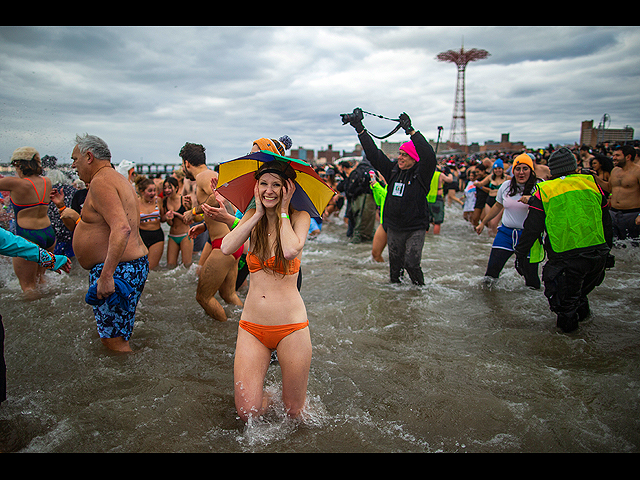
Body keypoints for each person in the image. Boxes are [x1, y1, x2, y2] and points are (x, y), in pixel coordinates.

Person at [221, 158, 311, 422]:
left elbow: (290, 249)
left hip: (291, 328)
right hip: (252, 327)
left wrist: (282, 211)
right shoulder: (252, 217)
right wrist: (258, 214)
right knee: (247, 412)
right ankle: (269, 397)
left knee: (294, 412)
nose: (269, 190)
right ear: (256, 187)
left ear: (288, 188)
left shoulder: (299, 217)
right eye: (263, 184)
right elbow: (227, 247)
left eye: (276, 185)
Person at [515, 147, 612, 333]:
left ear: (552, 170)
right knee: (580, 296)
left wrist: (520, 254)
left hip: (567, 258)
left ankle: (569, 351)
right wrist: (608, 251)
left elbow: (532, 228)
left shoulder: (545, 190)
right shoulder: (590, 183)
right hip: (597, 254)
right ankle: (588, 339)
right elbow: (607, 221)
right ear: (574, 167)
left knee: (565, 306)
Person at [71, 134, 149, 352]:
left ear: (89, 156)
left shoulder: (101, 181)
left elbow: (122, 228)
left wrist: (106, 276)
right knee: (119, 333)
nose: (73, 165)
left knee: (113, 340)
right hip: (129, 265)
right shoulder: (116, 178)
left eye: (74, 159)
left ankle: (129, 382)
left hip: (118, 269)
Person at [347, 109, 436, 285]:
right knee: (394, 270)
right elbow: (373, 154)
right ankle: (396, 301)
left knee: (411, 263)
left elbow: (429, 156)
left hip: (415, 228)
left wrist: (411, 131)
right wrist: (359, 128)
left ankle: (420, 293)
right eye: (400, 154)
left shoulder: (421, 174)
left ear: (413, 158)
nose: (400, 157)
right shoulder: (393, 171)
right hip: (394, 226)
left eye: (404, 155)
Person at [0, 226, 71, 404]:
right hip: (46, 230)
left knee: (29, 289)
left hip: (27, 228)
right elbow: (12, 243)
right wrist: (50, 260)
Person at [180, 142, 242, 322]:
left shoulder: (203, 176)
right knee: (228, 295)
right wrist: (200, 223)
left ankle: (224, 335)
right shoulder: (209, 175)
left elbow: (217, 197)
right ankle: (245, 325)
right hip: (230, 242)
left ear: (187, 163)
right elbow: (219, 208)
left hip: (222, 245)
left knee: (203, 297)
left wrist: (192, 212)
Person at [475, 153, 541, 289]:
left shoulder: (539, 187)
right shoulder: (506, 186)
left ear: (531, 170)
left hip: (529, 237)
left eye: (525, 168)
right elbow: (498, 206)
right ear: (513, 171)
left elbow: (548, 208)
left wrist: (533, 200)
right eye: (518, 169)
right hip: (506, 234)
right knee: (490, 274)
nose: (521, 172)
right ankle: (489, 302)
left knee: (531, 279)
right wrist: (483, 223)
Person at [0, 147, 56, 293]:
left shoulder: (15, 183)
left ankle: (38, 315)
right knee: (41, 280)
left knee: (28, 287)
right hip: (48, 234)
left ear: (20, 164)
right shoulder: (47, 181)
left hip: (28, 236)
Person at [608, 144, 640, 242]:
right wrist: (595, 178)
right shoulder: (614, 171)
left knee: (633, 245)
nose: (614, 158)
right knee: (614, 244)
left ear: (628, 157)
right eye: (613, 155)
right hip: (614, 213)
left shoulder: (638, 171)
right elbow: (609, 189)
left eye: (617, 155)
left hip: (632, 214)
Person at [160, 176, 193, 268]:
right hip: (172, 236)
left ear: (177, 188)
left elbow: (189, 220)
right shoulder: (165, 201)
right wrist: (167, 218)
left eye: (170, 187)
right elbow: (162, 220)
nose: (167, 190)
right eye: (165, 188)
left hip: (185, 235)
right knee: (170, 266)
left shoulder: (184, 200)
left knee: (186, 266)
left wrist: (175, 213)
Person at [136, 176, 164, 270]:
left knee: (151, 269)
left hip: (157, 236)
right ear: (142, 191)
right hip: (141, 236)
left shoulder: (158, 201)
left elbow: (163, 218)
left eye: (154, 190)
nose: (153, 193)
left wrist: (168, 217)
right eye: (150, 191)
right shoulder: (136, 202)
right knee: (140, 268)